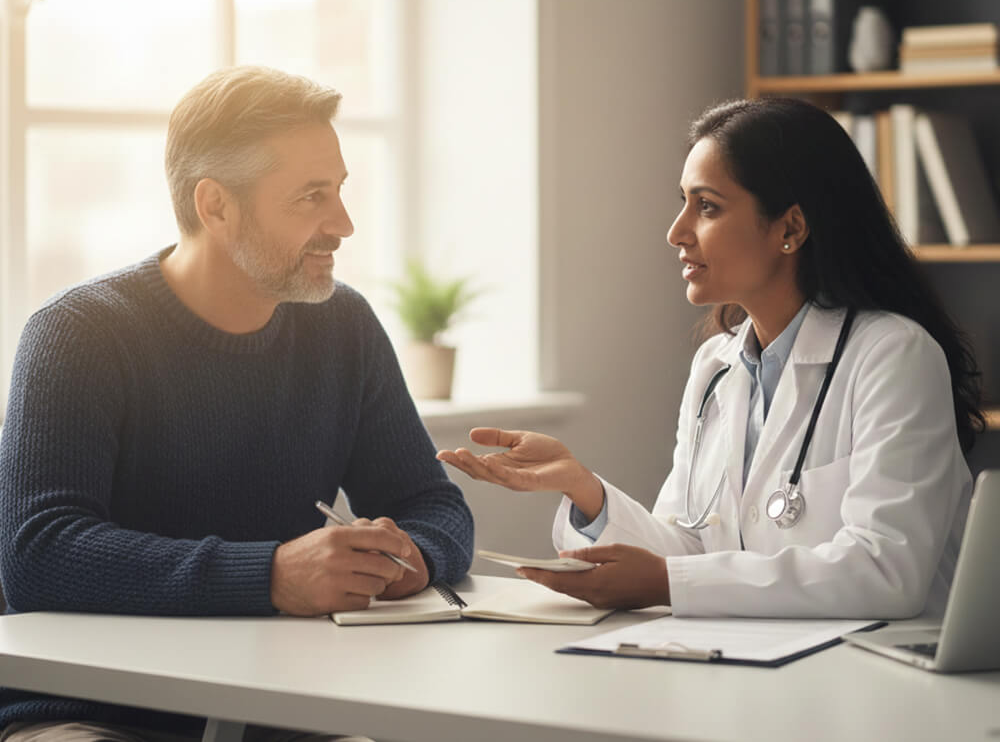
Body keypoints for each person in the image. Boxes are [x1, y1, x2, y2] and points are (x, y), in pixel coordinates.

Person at [0, 65, 474, 740]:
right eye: (311, 197)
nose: (343, 224)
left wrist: (414, 557)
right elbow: (38, 554)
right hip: (92, 713)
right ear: (216, 205)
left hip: (282, 711)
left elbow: (432, 503)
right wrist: (270, 575)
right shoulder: (78, 333)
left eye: (340, 190)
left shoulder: (344, 326)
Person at [439, 96, 981, 619]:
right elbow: (688, 548)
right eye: (684, 202)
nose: (676, 232)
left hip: (876, 669)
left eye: (707, 207)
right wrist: (584, 489)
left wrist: (667, 582)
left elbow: (886, 571)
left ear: (790, 228)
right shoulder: (715, 368)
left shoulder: (894, 357)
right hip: (755, 659)